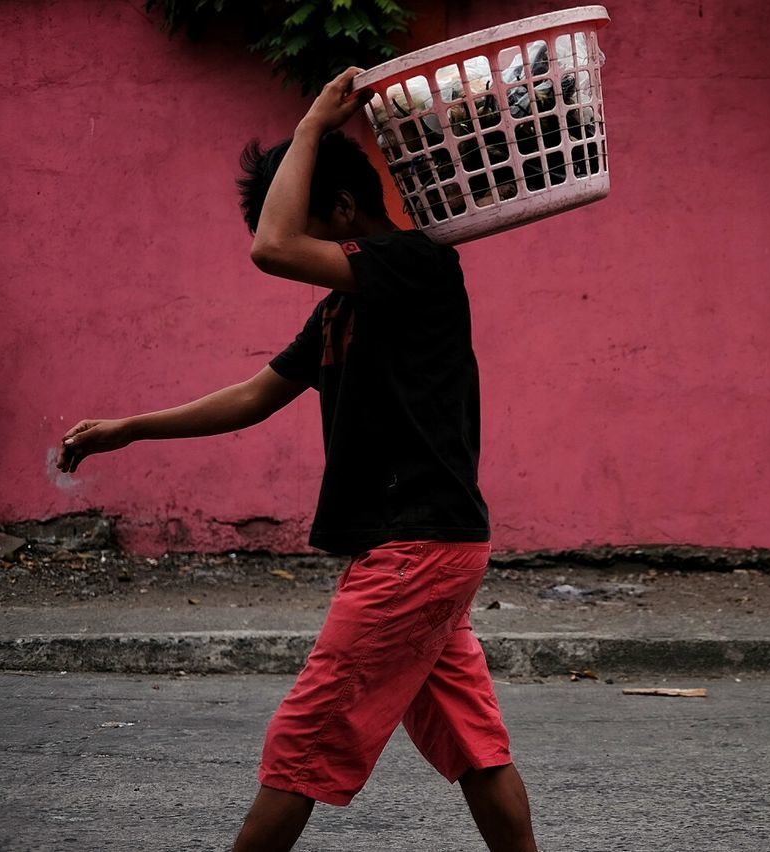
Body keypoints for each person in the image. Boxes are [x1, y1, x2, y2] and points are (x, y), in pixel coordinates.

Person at [55, 67, 538, 852]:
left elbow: (271, 248)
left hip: (413, 548)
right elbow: (253, 395)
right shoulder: (345, 306)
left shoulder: (419, 267)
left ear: (343, 210)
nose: (302, 244)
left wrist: (314, 124)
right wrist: (130, 428)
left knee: (302, 743)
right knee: (471, 740)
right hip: (430, 546)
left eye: (317, 223)